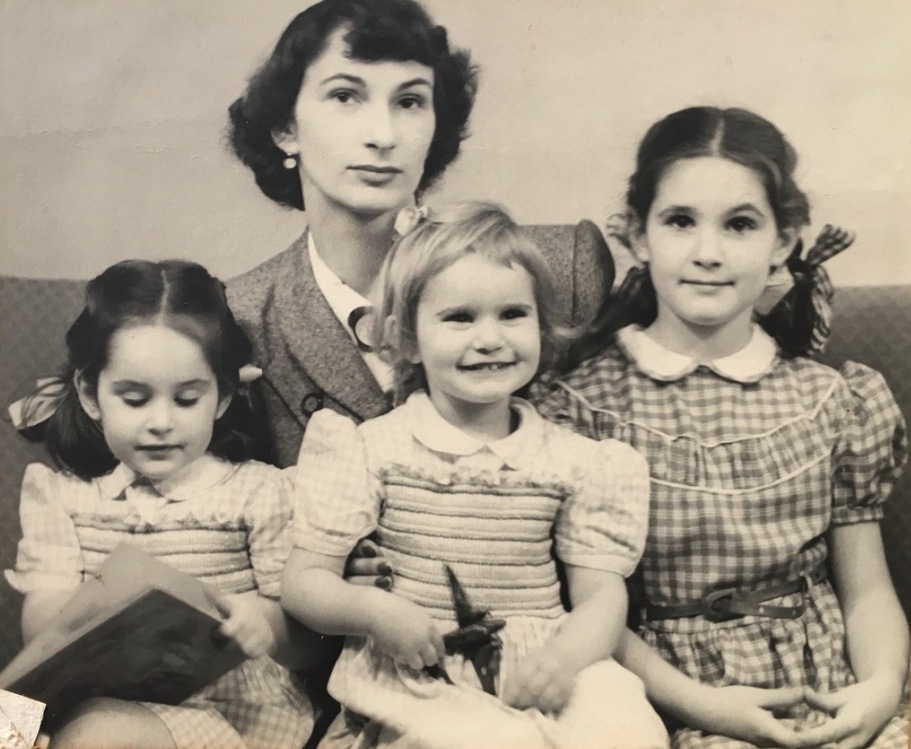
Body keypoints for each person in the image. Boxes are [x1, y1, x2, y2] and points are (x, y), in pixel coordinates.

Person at [536, 106, 910, 749]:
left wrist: (880, 688)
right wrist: (709, 709)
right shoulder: (580, 410)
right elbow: (590, 609)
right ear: (639, 234)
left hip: (829, 689)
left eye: (740, 225)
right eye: (680, 221)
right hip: (669, 700)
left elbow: (867, 590)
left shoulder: (832, 400)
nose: (708, 253)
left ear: (783, 242)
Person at [280, 202, 670, 749]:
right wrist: (374, 611)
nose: (490, 338)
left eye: (512, 314)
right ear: (409, 338)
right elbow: (303, 584)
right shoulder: (373, 448)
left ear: (542, 325)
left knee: (629, 733)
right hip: (422, 672)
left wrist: (565, 658)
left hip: (542, 655)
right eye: (460, 318)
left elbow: (602, 596)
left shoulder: (574, 460)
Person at [225, 0, 609, 471]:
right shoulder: (242, 318)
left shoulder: (556, 270)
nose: (383, 135)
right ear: (286, 128)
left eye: (409, 102)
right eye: (345, 96)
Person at [5, 260, 320, 749]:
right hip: (90, 692)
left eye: (187, 399)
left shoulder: (258, 492)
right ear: (91, 395)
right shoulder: (62, 494)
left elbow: (304, 633)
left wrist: (263, 624)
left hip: (226, 710)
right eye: (134, 399)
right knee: (15, 725)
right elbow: (41, 620)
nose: (161, 422)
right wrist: (85, 619)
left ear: (221, 397)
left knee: (98, 735)